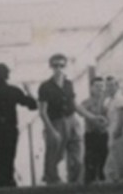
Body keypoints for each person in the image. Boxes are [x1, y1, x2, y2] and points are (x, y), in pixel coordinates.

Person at [38, 53, 106, 184]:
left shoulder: (69, 84)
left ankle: (74, 183)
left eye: (61, 65)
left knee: (78, 156)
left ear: (65, 66)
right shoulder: (45, 86)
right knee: (54, 157)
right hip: (56, 122)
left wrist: (93, 117)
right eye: (55, 65)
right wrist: (51, 131)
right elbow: (42, 112)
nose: (59, 68)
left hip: (72, 121)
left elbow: (74, 105)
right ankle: (52, 182)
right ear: (51, 67)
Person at [80, 76, 110, 184]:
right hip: (91, 135)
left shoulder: (107, 102)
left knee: (103, 156)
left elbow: (110, 117)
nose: (99, 88)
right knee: (90, 159)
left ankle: (101, 178)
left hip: (103, 134)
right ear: (91, 88)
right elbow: (81, 112)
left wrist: (106, 122)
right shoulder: (86, 102)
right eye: (97, 86)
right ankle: (90, 181)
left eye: (101, 86)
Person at [103, 76, 123, 182]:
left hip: (119, 134)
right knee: (112, 167)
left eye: (112, 85)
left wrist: (116, 134)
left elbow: (121, 120)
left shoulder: (120, 99)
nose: (109, 88)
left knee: (117, 166)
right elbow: (108, 118)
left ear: (117, 86)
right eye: (107, 86)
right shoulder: (108, 101)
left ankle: (121, 186)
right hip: (112, 134)